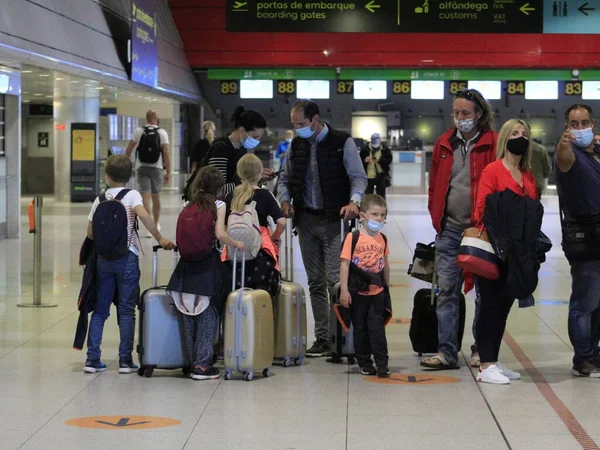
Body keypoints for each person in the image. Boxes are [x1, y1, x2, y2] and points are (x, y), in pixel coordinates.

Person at [277, 99, 367, 357]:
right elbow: (284, 178)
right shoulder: (296, 145)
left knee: (335, 281)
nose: (298, 129)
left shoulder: (342, 142)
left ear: (315, 119)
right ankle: (323, 338)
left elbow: (358, 177)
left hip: (334, 222)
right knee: (315, 281)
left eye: (302, 124)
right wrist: (284, 200)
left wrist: (354, 201)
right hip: (306, 221)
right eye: (294, 125)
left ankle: (340, 336)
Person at [422, 89, 497, 370]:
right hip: (450, 230)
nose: (460, 118)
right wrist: (436, 217)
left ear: (479, 114)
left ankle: (481, 349)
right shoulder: (445, 144)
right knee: (447, 292)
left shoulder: (494, 144)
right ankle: (447, 352)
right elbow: (434, 187)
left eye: (465, 113)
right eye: (457, 113)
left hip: (481, 232)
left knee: (484, 294)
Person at [84, 155, 175, 374]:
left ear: (107, 176)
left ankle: (92, 359)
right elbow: (145, 217)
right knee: (126, 311)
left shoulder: (100, 198)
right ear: (130, 176)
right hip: (127, 258)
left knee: (99, 310)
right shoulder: (132, 195)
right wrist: (160, 238)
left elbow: (90, 233)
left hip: (104, 260)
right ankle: (125, 360)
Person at [473, 119, 540, 384]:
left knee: (503, 308)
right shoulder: (493, 170)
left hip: (518, 253)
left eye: (524, 133)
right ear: (504, 138)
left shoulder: (528, 174)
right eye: (514, 133)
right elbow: (482, 208)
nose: (520, 137)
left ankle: (494, 360)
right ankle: (485, 363)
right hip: (495, 248)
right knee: (489, 306)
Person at [167, 166, 244, 380]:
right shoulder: (218, 205)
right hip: (208, 265)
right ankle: (202, 366)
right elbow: (219, 234)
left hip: (185, 266)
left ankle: (192, 362)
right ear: (217, 188)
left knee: (188, 313)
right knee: (208, 314)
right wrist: (235, 241)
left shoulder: (187, 204)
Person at [555, 104, 600, 377]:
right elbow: (563, 156)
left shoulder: (595, 154)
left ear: (593, 123)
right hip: (584, 238)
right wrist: (563, 144)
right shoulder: (568, 155)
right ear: (567, 128)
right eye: (574, 124)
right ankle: (582, 358)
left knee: (598, 303)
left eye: (584, 122)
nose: (580, 128)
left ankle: (593, 351)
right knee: (584, 302)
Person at [339, 194, 391, 378]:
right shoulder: (352, 238)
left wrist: (386, 287)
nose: (379, 219)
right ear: (362, 216)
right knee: (360, 328)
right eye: (375, 214)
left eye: (383, 215)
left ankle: (382, 363)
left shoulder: (382, 239)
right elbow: (345, 264)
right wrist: (344, 290)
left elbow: (385, 263)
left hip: (377, 292)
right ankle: (365, 362)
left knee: (376, 328)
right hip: (358, 292)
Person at [224, 154, 286, 298]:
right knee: (262, 296)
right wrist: (275, 236)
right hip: (261, 252)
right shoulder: (265, 195)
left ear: (239, 173)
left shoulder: (230, 195)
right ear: (260, 173)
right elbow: (282, 222)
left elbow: (224, 225)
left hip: (233, 253)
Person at [204, 105, 272, 200]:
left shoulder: (241, 149)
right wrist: (250, 181)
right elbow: (217, 190)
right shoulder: (221, 149)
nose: (257, 141)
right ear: (242, 130)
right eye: (255, 137)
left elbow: (239, 180)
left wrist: (257, 178)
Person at [125, 110, 171, 238]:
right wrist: (168, 171)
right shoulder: (162, 132)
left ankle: (148, 228)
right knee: (156, 197)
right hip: (157, 168)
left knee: (145, 196)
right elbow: (166, 152)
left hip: (142, 167)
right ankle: (156, 224)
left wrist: (125, 166)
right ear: (157, 119)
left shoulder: (138, 131)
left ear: (146, 118)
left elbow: (128, 151)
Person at [360, 133, 393, 199]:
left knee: (381, 196)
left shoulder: (385, 149)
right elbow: (359, 161)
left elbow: (389, 160)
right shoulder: (365, 149)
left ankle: (382, 209)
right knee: (368, 196)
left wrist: (379, 160)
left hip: (381, 175)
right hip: (368, 176)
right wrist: (364, 160)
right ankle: (368, 208)